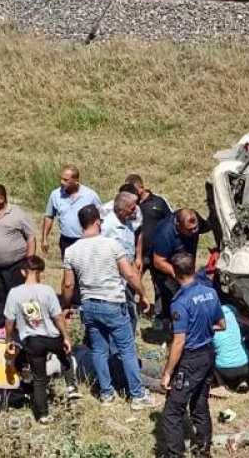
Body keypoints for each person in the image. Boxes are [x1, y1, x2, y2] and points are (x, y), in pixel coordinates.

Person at [61, 204, 155, 410]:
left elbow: (68, 284)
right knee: (127, 349)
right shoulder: (112, 244)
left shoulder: (71, 251)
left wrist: (66, 305)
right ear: (98, 221)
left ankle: (106, 393)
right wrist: (142, 293)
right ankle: (137, 395)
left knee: (98, 350)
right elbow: (129, 274)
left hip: (89, 305)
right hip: (112, 302)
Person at [160, 251, 226, 458]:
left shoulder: (180, 302)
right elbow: (221, 324)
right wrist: (204, 328)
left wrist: (168, 372)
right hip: (208, 355)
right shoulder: (210, 292)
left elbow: (179, 341)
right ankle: (203, 451)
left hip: (190, 359)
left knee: (172, 413)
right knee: (199, 402)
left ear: (175, 273)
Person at [4, 255, 80, 424]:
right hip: (52, 336)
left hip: (32, 341)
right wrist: (66, 336)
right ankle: (71, 386)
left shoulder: (14, 293)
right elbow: (58, 316)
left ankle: (42, 415)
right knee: (66, 355)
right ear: (41, 272)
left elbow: (9, 320)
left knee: (39, 379)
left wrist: (8, 340)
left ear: (23, 272)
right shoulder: (47, 291)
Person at [0, 184, 37, 304]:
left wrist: (29, 263)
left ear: (1, 199)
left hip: (15, 266)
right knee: (0, 299)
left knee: (19, 299)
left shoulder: (18, 214)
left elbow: (31, 238)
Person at [150, 209, 202, 329]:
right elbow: (158, 262)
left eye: (196, 227)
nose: (195, 231)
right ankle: (169, 322)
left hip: (185, 263)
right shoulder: (164, 233)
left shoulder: (195, 220)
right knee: (172, 295)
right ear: (178, 225)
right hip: (166, 268)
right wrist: (179, 275)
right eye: (190, 229)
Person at [101, 190, 142, 332]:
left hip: (127, 277)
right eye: (131, 208)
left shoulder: (128, 222)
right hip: (113, 280)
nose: (135, 210)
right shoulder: (107, 227)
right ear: (120, 210)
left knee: (131, 314)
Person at [40, 165, 102, 259]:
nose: (61, 182)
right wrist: (44, 238)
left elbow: (102, 217)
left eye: (65, 180)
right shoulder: (55, 195)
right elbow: (49, 216)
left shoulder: (90, 196)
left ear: (76, 181)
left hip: (86, 241)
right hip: (66, 241)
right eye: (61, 179)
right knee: (68, 266)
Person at [125, 174, 174, 280]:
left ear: (141, 188)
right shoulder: (129, 205)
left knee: (162, 285)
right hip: (137, 253)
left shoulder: (159, 202)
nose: (130, 194)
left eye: (132, 191)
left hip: (157, 252)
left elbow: (171, 222)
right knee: (133, 283)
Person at [212, 301, 249, 393]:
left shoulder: (207, 322)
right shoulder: (230, 309)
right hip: (244, 366)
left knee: (209, 355)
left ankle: (221, 384)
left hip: (225, 370)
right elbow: (248, 322)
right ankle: (243, 381)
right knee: (241, 345)